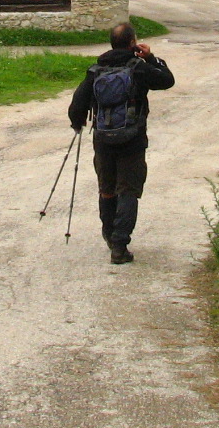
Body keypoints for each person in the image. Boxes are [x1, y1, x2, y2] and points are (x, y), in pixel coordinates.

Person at [67, 21, 175, 264]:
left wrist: (77, 123)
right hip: (132, 138)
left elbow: (78, 103)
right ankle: (119, 246)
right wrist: (151, 58)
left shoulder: (96, 70)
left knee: (107, 189)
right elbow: (167, 80)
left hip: (103, 139)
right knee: (128, 190)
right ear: (132, 43)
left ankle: (109, 235)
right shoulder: (138, 68)